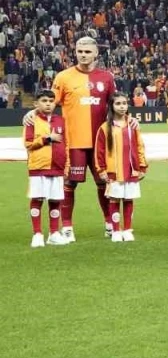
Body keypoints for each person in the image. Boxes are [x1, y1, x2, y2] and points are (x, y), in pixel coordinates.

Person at [51, 36, 116, 241]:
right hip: (73, 142)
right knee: (69, 183)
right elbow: (49, 104)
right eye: (80, 51)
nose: (83, 55)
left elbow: (115, 106)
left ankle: (110, 224)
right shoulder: (63, 77)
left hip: (100, 143)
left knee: (104, 182)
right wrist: (33, 114)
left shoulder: (106, 77)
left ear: (96, 53)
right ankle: (67, 227)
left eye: (87, 52)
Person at [94, 91, 147, 242]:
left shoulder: (133, 125)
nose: (122, 106)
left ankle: (128, 230)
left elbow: (140, 146)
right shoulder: (105, 127)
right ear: (111, 106)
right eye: (118, 103)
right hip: (114, 171)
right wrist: (101, 170)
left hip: (131, 170)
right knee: (114, 200)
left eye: (124, 103)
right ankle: (116, 230)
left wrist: (142, 166)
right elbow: (99, 150)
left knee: (129, 199)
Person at [25, 89, 69, 248]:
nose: (48, 104)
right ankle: (37, 234)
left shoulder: (61, 120)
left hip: (57, 166)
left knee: (55, 200)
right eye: (44, 101)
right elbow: (28, 143)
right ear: (36, 104)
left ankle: (54, 233)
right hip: (39, 166)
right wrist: (47, 138)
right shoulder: (32, 120)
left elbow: (66, 144)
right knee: (37, 199)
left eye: (51, 101)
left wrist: (66, 165)